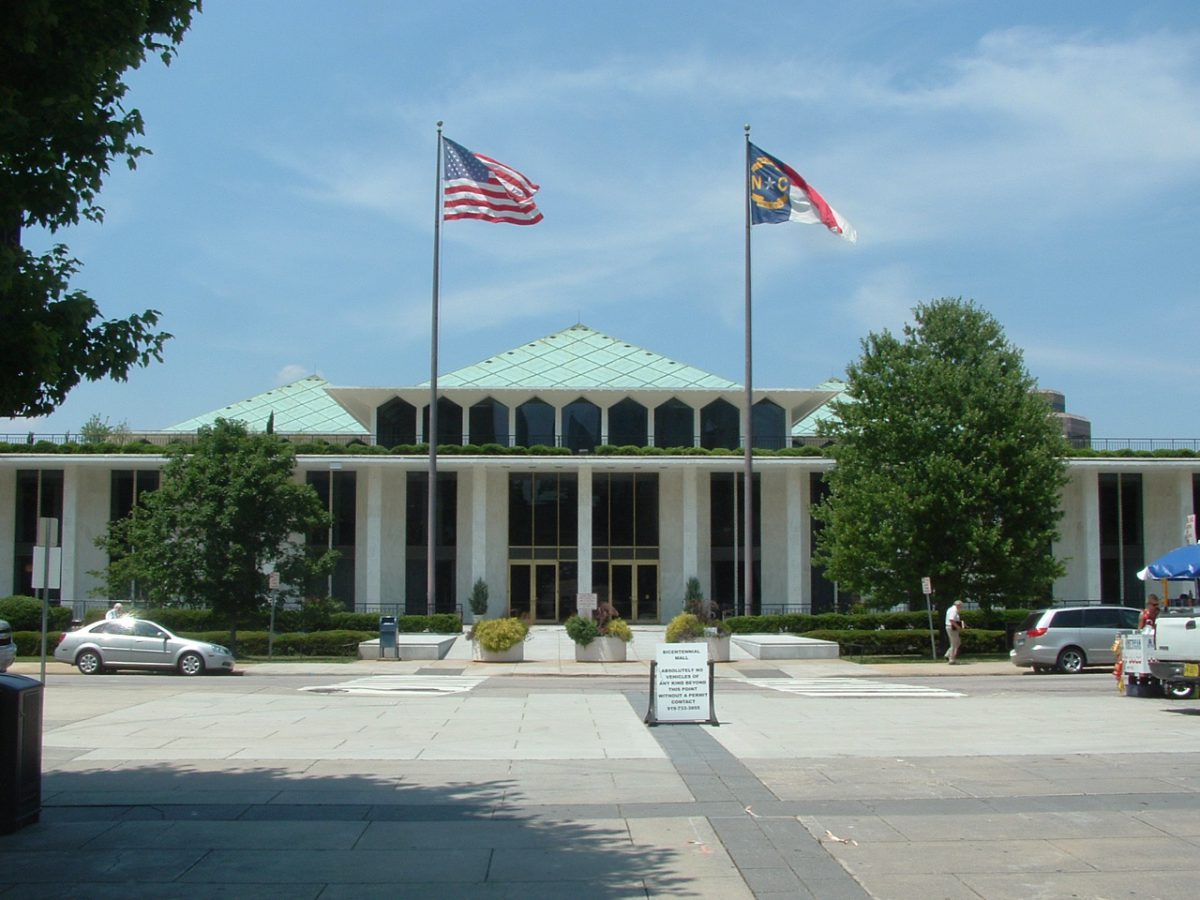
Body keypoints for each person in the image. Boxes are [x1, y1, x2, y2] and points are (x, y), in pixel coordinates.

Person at [944, 599, 966, 664]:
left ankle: (948, 655)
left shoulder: (951, 609)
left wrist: (962, 624)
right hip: (951, 628)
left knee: (957, 642)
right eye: (961, 606)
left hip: (951, 627)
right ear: (958, 605)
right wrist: (958, 627)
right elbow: (951, 620)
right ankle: (951, 659)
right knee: (954, 643)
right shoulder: (954, 610)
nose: (962, 607)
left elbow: (954, 620)